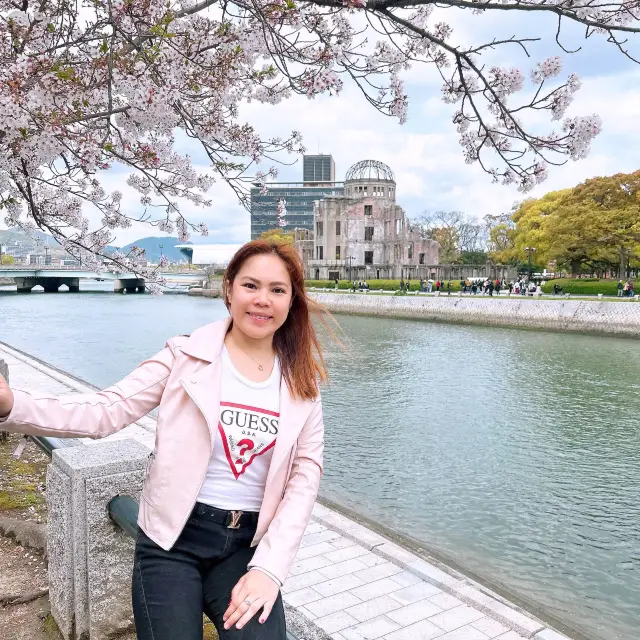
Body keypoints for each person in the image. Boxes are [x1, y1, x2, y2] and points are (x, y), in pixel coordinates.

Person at [0, 240, 330, 640]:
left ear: (292, 301)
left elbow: (304, 478)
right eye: (250, 286)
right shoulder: (184, 357)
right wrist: (11, 405)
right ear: (229, 289)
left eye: (277, 290)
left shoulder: (301, 383)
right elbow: (106, 410)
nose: (262, 300)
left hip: (247, 546)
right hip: (172, 540)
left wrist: (269, 569)